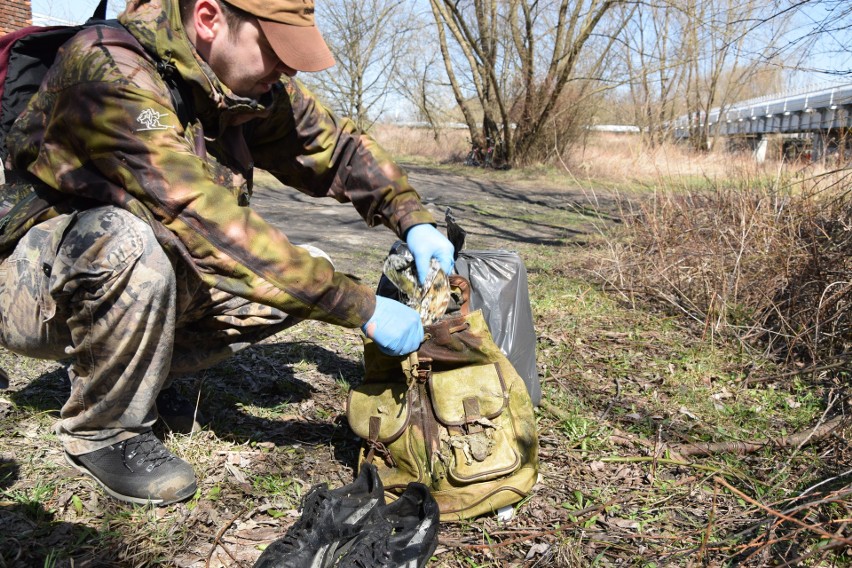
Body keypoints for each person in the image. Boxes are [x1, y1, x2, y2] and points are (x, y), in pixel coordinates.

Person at [0, 0, 454, 506]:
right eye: (276, 49)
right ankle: (105, 430)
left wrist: (412, 217)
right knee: (132, 242)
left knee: (305, 268)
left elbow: (336, 150)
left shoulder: (237, 82)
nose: (288, 67)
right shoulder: (109, 71)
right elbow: (202, 218)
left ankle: (144, 376)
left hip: (125, 266)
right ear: (210, 18)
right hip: (36, 286)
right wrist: (363, 308)